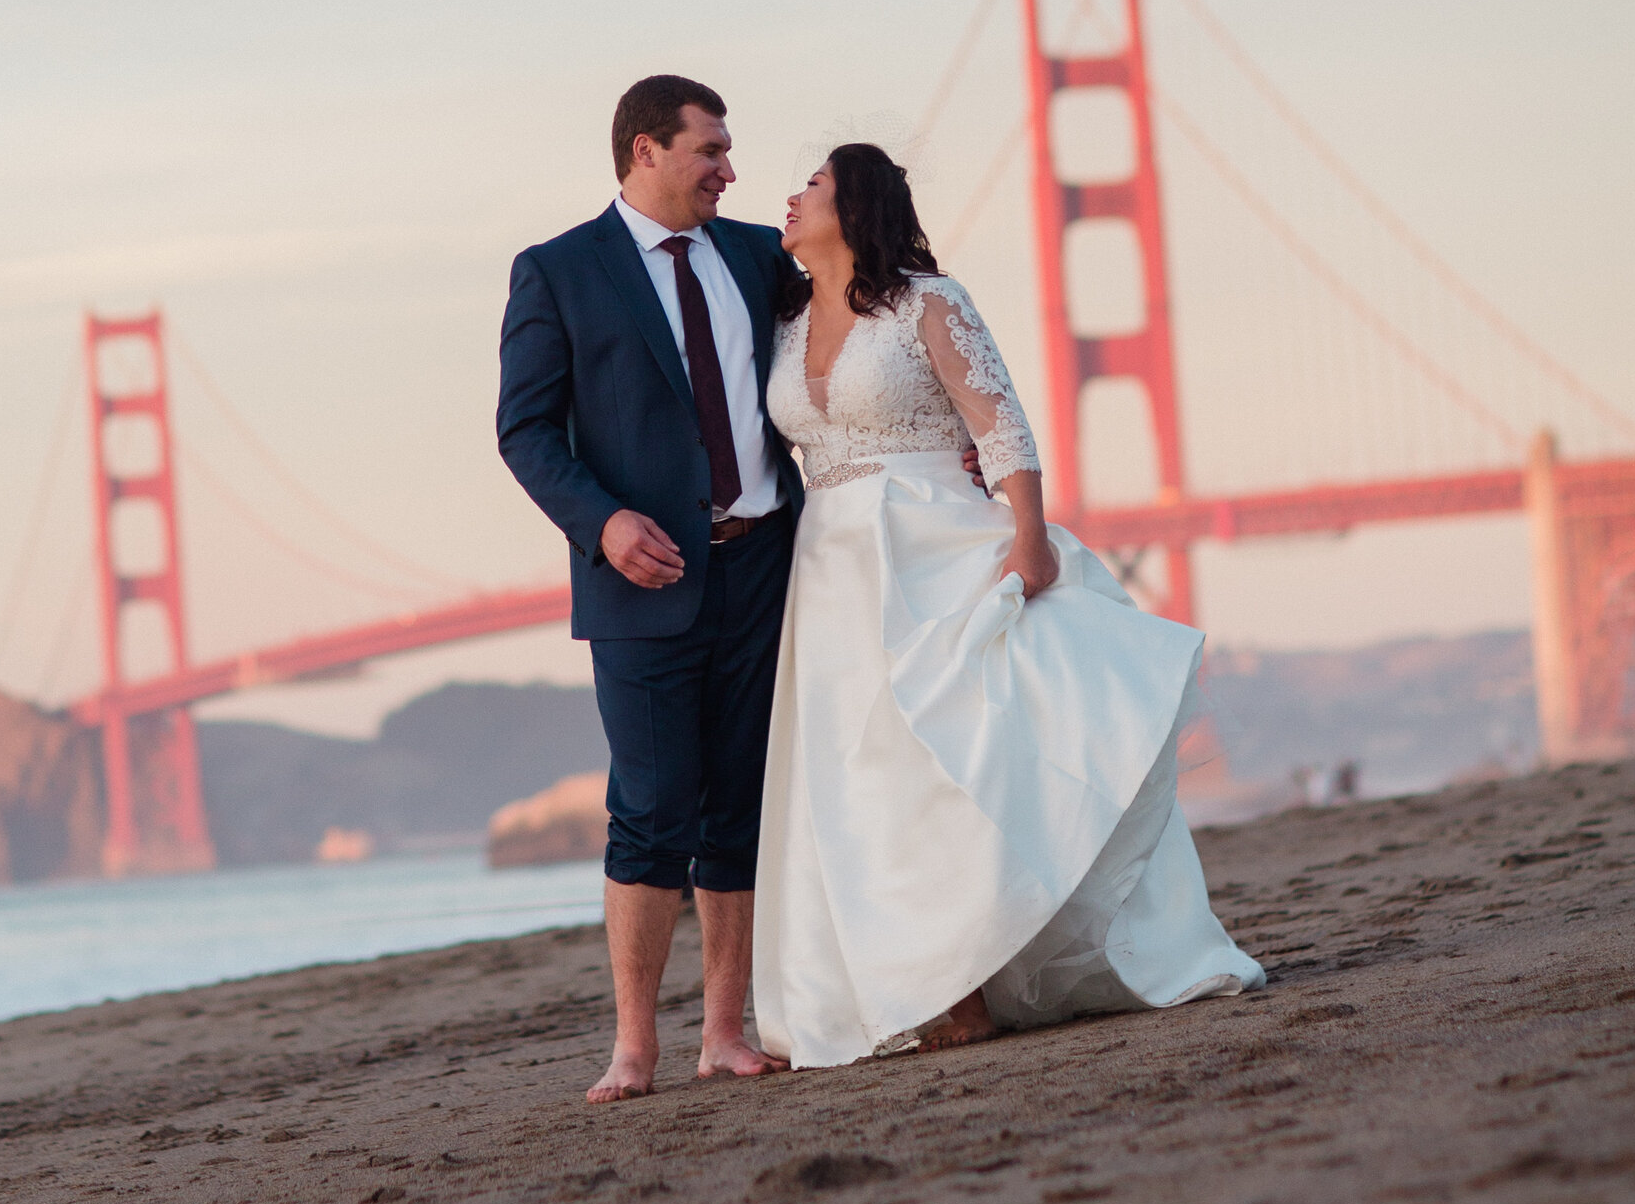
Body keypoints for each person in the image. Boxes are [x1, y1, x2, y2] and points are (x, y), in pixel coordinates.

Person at [753, 143, 1262, 1060]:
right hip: (830, 571)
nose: (790, 197)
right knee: (860, 783)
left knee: (952, 767)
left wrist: (1029, 539)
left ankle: (965, 990)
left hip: (933, 547)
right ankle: (898, 982)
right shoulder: (783, 321)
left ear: (857, 201)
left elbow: (1002, 425)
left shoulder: (928, 302)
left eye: (814, 184)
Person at [497, 77, 802, 1102]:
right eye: (709, 150)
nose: (728, 169)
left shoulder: (762, 255)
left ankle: (725, 1032)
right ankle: (634, 1048)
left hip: (766, 560)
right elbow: (525, 431)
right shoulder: (557, 272)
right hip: (639, 579)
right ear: (645, 151)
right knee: (651, 807)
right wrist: (602, 522)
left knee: (740, 806)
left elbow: (864, 335)